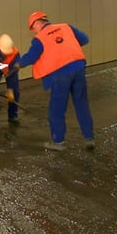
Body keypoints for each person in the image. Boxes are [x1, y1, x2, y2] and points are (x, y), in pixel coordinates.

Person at [18, 11, 95, 151]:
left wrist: (18, 64)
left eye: (32, 27)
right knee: (81, 104)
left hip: (60, 75)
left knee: (56, 109)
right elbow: (84, 39)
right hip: (78, 68)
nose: (33, 30)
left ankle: (58, 142)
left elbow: (31, 57)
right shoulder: (66, 27)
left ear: (37, 23)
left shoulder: (39, 38)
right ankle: (89, 138)